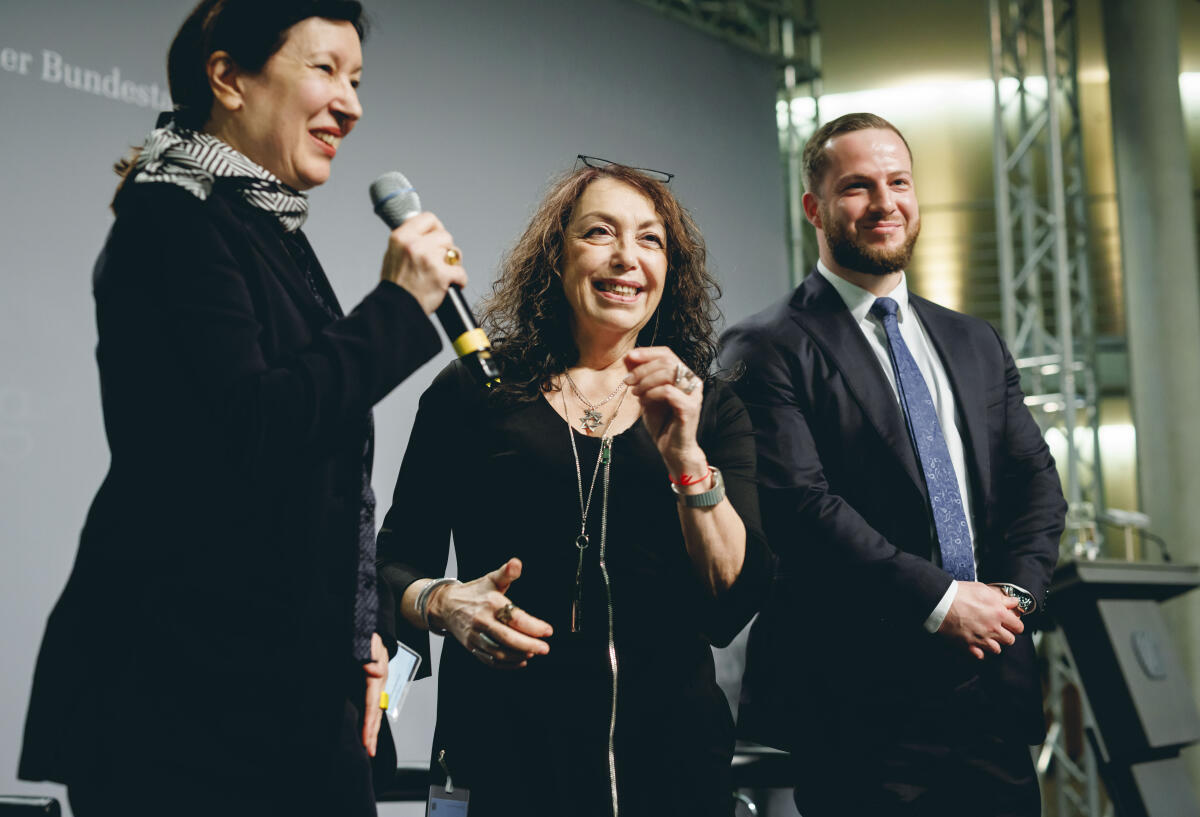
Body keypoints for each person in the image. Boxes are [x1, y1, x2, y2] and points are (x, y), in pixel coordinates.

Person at [18, 2, 466, 814]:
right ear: (227, 78)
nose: (352, 104)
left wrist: (359, 632)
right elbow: (253, 426)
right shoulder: (172, 217)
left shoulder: (258, 225)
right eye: (325, 69)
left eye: (357, 79)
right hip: (183, 706)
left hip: (277, 695)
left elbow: (318, 476)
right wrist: (397, 305)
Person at [375, 159, 772, 816]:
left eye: (650, 240)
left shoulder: (708, 407)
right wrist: (444, 601)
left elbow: (730, 601)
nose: (626, 258)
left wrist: (686, 458)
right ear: (556, 256)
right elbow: (389, 564)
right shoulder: (478, 390)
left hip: (672, 769)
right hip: (506, 764)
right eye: (599, 233)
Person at [721, 112, 1066, 816]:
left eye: (899, 182)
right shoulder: (766, 346)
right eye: (858, 186)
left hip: (992, 699)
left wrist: (1013, 600)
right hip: (859, 711)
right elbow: (802, 506)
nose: (885, 203)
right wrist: (944, 602)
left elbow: (1038, 486)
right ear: (814, 207)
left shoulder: (973, 340)